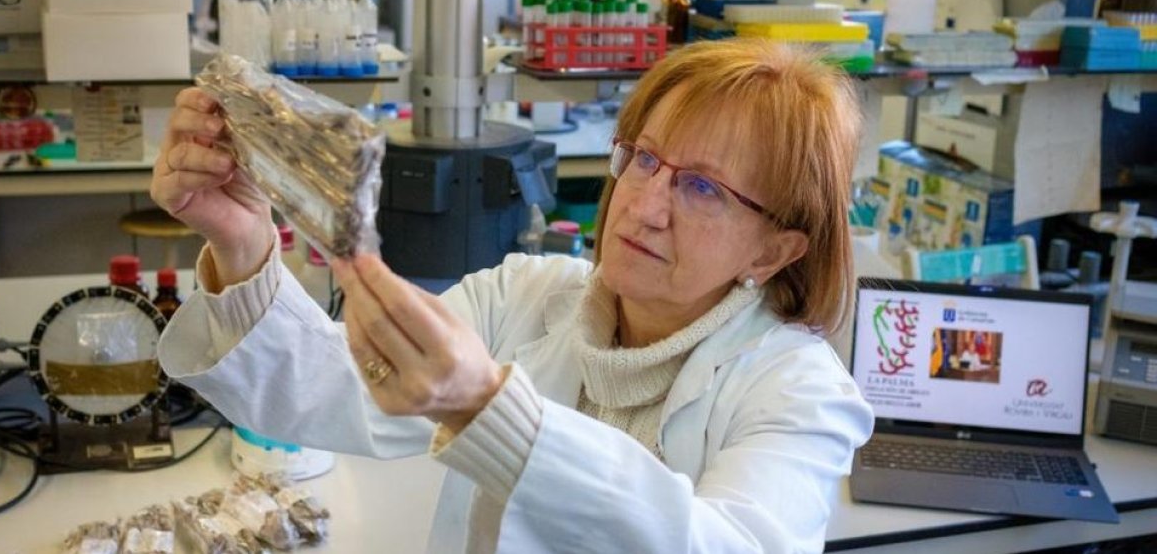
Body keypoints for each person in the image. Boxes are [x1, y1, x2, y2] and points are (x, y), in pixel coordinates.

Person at [152, 39, 874, 553]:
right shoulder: (525, 295)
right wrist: (244, 242)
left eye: (703, 187)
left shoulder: (799, 391)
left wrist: (493, 412)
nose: (644, 203)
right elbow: (331, 392)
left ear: (774, 250)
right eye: (646, 158)